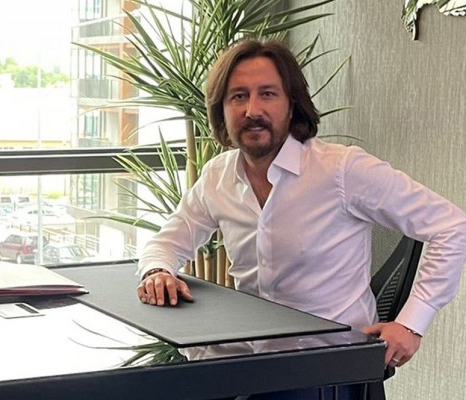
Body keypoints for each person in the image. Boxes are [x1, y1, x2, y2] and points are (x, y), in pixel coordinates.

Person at [136, 38, 466, 395]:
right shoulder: (218, 176)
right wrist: (158, 271)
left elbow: (451, 226)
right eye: (238, 96)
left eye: (267, 94)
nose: (252, 110)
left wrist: (412, 324)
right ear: (221, 111)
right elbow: (169, 241)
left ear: (292, 105)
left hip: (329, 375)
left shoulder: (341, 169)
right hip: (251, 369)